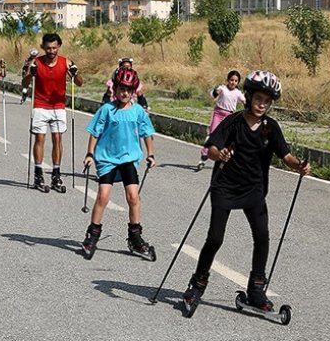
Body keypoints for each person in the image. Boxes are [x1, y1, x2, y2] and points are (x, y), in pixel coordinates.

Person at [182, 70, 311, 312]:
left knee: (262, 236)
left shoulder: (270, 128)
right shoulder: (234, 121)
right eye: (258, 99)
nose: (262, 105)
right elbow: (210, 148)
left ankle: (256, 290)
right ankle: (197, 284)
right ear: (249, 96)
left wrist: (300, 166)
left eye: (267, 101)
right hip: (225, 187)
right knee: (215, 238)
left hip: (254, 190)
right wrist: (219, 154)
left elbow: (286, 156)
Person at [81, 68, 156, 260]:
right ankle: (92, 235)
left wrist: (151, 154)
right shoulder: (107, 110)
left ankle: (135, 238)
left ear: (134, 91)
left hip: (128, 158)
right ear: (115, 88)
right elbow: (95, 132)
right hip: (106, 158)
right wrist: (90, 153)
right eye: (121, 89)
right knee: (103, 196)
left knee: (133, 197)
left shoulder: (138, 111)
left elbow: (147, 133)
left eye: (128, 90)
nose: (125, 93)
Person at [21, 33, 84, 192]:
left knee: (57, 138)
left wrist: (75, 73)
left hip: (58, 106)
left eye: (54, 47)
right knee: (40, 139)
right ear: (43, 47)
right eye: (48, 48)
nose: (51, 51)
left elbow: (80, 83)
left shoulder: (66, 62)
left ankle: (56, 174)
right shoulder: (37, 62)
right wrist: (30, 73)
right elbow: (25, 83)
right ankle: (38, 174)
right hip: (41, 105)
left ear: (59, 47)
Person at [197, 70, 245, 170]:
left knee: (228, 138)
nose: (233, 83)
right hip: (218, 114)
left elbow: (245, 102)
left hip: (229, 116)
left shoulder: (238, 93)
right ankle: (203, 157)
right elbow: (212, 95)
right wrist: (216, 91)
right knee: (212, 135)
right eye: (231, 80)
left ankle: (225, 159)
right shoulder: (222, 88)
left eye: (236, 81)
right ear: (228, 80)